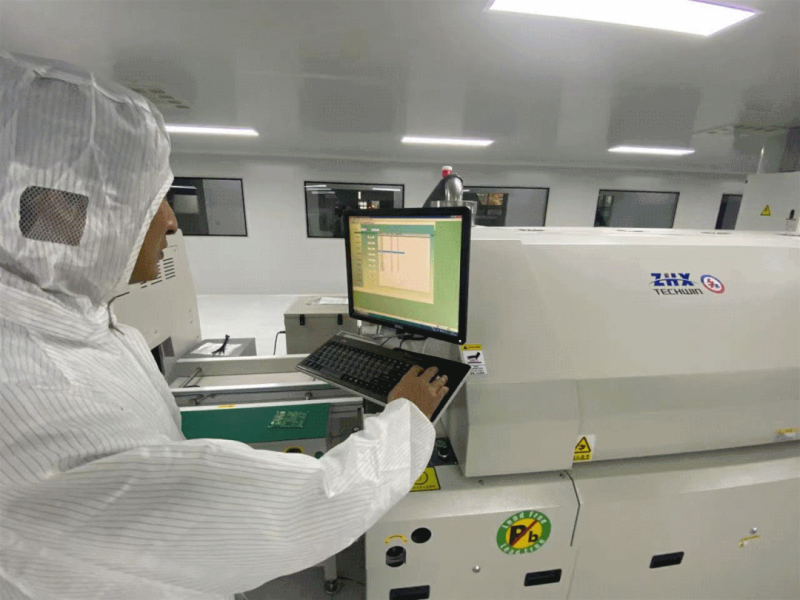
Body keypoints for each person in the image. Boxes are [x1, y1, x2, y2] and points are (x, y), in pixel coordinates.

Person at [0, 52, 448, 600]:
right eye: (152, 202)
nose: (172, 222)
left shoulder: (69, 317)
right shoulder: (35, 383)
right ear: (60, 211)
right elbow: (306, 509)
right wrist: (407, 418)